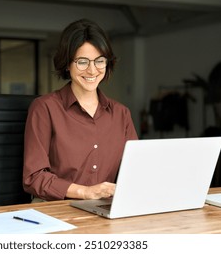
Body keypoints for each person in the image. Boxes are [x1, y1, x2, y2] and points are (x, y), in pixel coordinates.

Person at [23, 18, 138, 201]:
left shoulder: (121, 114)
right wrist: (85, 192)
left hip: (104, 210)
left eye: (99, 61)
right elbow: (34, 177)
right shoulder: (45, 109)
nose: (92, 70)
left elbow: (136, 171)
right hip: (55, 210)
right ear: (67, 64)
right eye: (82, 62)